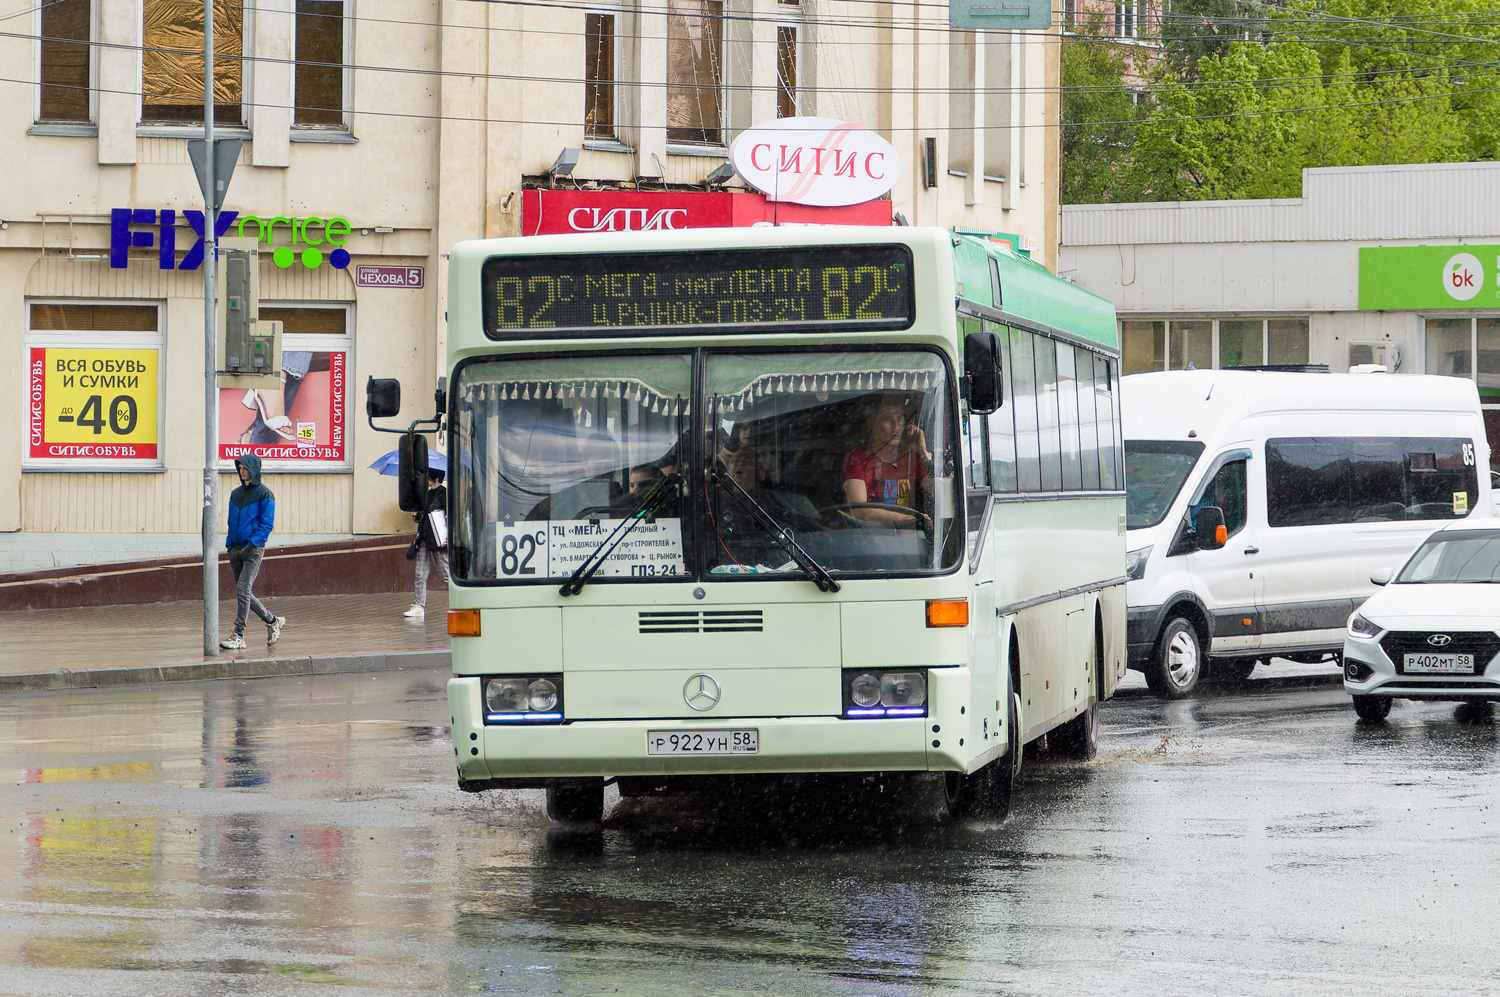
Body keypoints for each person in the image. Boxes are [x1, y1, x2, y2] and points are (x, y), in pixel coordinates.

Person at [222, 454, 286, 649]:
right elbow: (231, 521)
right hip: (235, 549)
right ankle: (272, 621)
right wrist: (230, 544)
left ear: (254, 469)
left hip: (253, 550)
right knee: (244, 592)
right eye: (239, 467)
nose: (242, 471)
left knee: (242, 590)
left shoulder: (265, 494)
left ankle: (238, 634)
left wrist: (252, 545)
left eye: (245, 467)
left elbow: (267, 525)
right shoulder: (235, 494)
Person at [840, 394, 932, 528]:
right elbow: (859, 510)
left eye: (901, 419)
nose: (896, 427)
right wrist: (912, 518)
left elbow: (939, 493)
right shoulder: (857, 456)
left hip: (909, 542)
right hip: (866, 538)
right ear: (871, 423)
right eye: (887, 419)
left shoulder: (911, 457)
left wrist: (923, 453)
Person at [404, 468, 451, 619]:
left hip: (438, 540)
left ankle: (465, 599)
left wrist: (449, 537)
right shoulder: (425, 494)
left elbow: (450, 517)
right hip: (424, 538)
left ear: (437, 477)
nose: (427, 479)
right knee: (420, 573)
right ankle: (419, 606)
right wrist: (415, 516)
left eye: (429, 476)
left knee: (445, 574)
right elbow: (422, 518)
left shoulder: (445, 494)